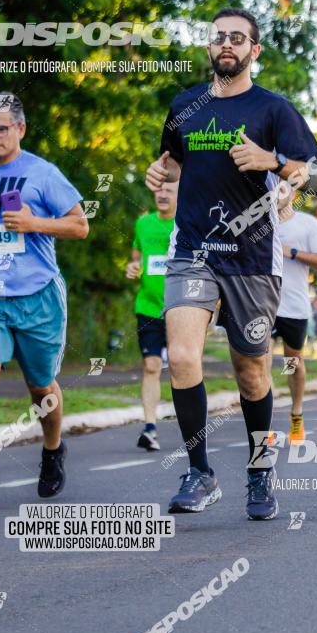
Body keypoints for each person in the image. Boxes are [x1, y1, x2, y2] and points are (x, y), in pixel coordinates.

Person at [145, 7, 317, 520]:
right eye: (219, 37)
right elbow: (171, 163)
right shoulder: (185, 106)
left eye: (238, 38)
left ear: (255, 50)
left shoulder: (275, 111)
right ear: (209, 48)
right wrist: (158, 174)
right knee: (181, 358)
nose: (227, 44)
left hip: (252, 259)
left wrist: (272, 161)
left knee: (252, 373)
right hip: (192, 253)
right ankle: (200, 472)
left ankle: (260, 470)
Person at [0, 93, 88, 507]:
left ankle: (52, 450)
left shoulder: (42, 174)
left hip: (37, 295)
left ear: (20, 129)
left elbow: (80, 226)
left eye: (1, 128)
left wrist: (34, 223)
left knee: (40, 386)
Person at [267, 184, 317, 443]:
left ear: (293, 194)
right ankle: (266, 423)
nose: (277, 195)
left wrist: (292, 252)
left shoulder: (307, 225)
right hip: (263, 306)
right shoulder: (257, 224)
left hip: (293, 306)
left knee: (291, 363)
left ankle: (296, 413)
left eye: (283, 189)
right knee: (260, 363)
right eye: (272, 190)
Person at [126, 181, 178, 451]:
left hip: (182, 307)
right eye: (159, 189)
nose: (162, 194)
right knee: (151, 366)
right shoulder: (143, 224)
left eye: (169, 190)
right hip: (148, 306)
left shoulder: (186, 223)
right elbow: (136, 257)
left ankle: (193, 427)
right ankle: (150, 428)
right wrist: (133, 267)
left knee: (184, 367)